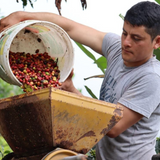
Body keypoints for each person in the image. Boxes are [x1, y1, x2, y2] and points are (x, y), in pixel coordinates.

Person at [1, 1, 160, 160]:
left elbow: (112, 126)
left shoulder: (151, 78)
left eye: (136, 38)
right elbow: (71, 28)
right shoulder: (117, 49)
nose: (126, 42)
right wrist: (22, 16)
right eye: (124, 33)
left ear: (157, 42)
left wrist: (70, 96)